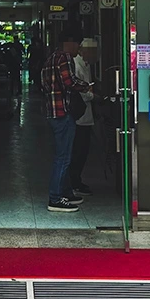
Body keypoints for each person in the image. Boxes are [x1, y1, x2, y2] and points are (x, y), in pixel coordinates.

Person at [42, 29, 92, 213]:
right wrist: (86, 86)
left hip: (53, 111)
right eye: (78, 44)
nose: (79, 48)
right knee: (63, 157)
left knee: (63, 155)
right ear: (69, 43)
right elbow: (69, 81)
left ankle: (66, 192)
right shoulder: (64, 58)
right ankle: (56, 198)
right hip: (62, 112)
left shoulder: (50, 59)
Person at [68, 37, 98, 197]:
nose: (95, 56)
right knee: (78, 151)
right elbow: (80, 92)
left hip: (86, 115)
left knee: (83, 150)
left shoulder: (87, 65)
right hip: (79, 116)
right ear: (83, 51)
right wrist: (93, 96)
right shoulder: (76, 65)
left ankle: (76, 180)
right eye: (92, 52)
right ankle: (73, 182)